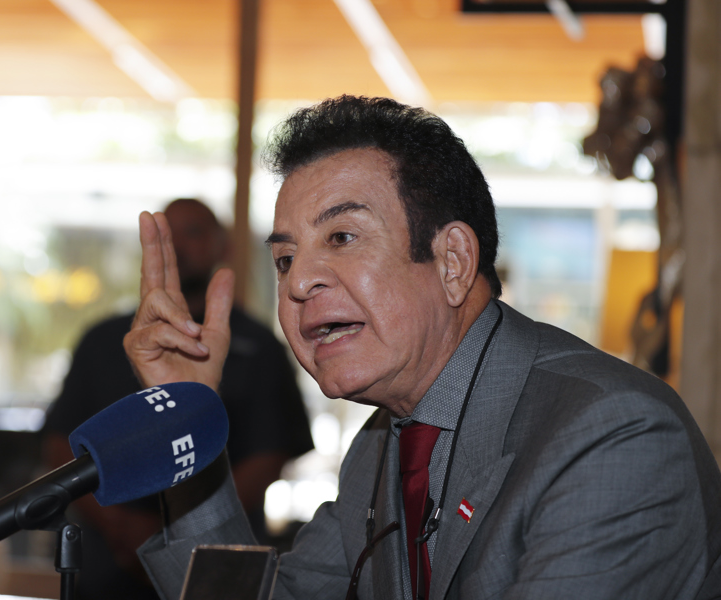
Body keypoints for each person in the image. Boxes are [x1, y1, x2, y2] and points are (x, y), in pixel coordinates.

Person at [124, 96, 721, 600]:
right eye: (284, 259)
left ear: (453, 262)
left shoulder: (613, 435)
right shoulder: (385, 446)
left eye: (342, 236)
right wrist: (183, 416)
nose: (299, 281)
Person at [41, 198, 314, 600]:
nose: (182, 247)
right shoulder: (104, 339)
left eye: (194, 233)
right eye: (170, 235)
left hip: (218, 572)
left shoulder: (261, 348)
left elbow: (269, 452)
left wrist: (178, 530)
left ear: (222, 247)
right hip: (105, 566)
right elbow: (58, 442)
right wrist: (118, 526)